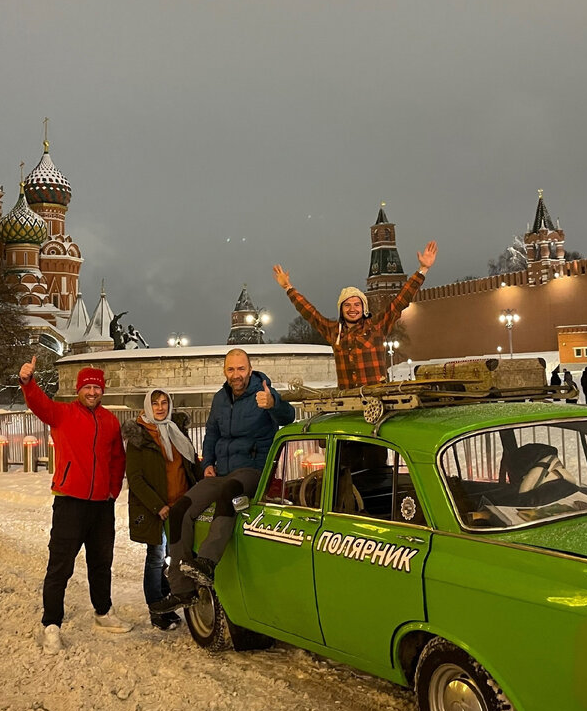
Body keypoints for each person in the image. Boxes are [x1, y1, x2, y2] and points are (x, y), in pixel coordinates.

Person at [153, 349, 295, 612]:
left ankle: (207, 562)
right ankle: (182, 588)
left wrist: (274, 404)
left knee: (230, 490)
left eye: (241, 369)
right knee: (180, 510)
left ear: (250, 370)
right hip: (222, 471)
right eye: (231, 369)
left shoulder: (264, 393)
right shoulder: (220, 398)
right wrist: (207, 463)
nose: (236, 374)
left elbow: (288, 417)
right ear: (224, 372)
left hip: (253, 471)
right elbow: (212, 434)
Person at [19, 356, 131, 653]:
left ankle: (103, 612)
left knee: (101, 562)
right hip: (70, 502)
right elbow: (39, 404)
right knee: (60, 566)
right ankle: (51, 624)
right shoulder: (63, 414)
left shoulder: (109, 420)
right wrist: (28, 382)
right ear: (78, 390)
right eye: (87, 387)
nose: (92, 392)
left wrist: (113, 490)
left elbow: (118, 458)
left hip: (101, 506)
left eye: (97, 387)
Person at [273, 241, 438, 389]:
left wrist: (422, 270)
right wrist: (288, 288)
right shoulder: (333, 331)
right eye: (347, 305)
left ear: (363, 308)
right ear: (341, 309)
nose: (353, 309)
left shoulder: (377, 327)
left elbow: (401, 301)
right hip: (348, 400)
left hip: (377, 399)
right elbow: (309, 312)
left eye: (357, 304)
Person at [122, 389, 200, 630]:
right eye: (155, 403)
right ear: (147, 406)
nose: (160, 407)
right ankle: (157, 609)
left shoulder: (176, 431)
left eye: (164, 402)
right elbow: (135, 478)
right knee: (156, 558)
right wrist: (158, 506)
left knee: (176, 556)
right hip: (157, 509)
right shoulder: (140, 437)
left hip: (182, 504)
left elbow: (190, 464)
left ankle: (169, 602)